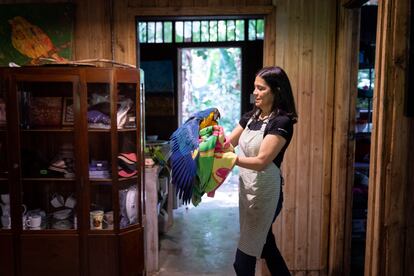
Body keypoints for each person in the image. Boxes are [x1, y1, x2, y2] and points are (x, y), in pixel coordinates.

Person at [227, 66, 297, 276]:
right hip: (247, 190)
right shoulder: (251, 117)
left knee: (242, 263)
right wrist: (209, 140)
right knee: (268, 248)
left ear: (276, 91)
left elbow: (261, 161)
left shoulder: (282, 122)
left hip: (266, 194)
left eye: (261, 88)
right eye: (254, 88)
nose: (255, 93)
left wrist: (228, 159)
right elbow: (228, 144)